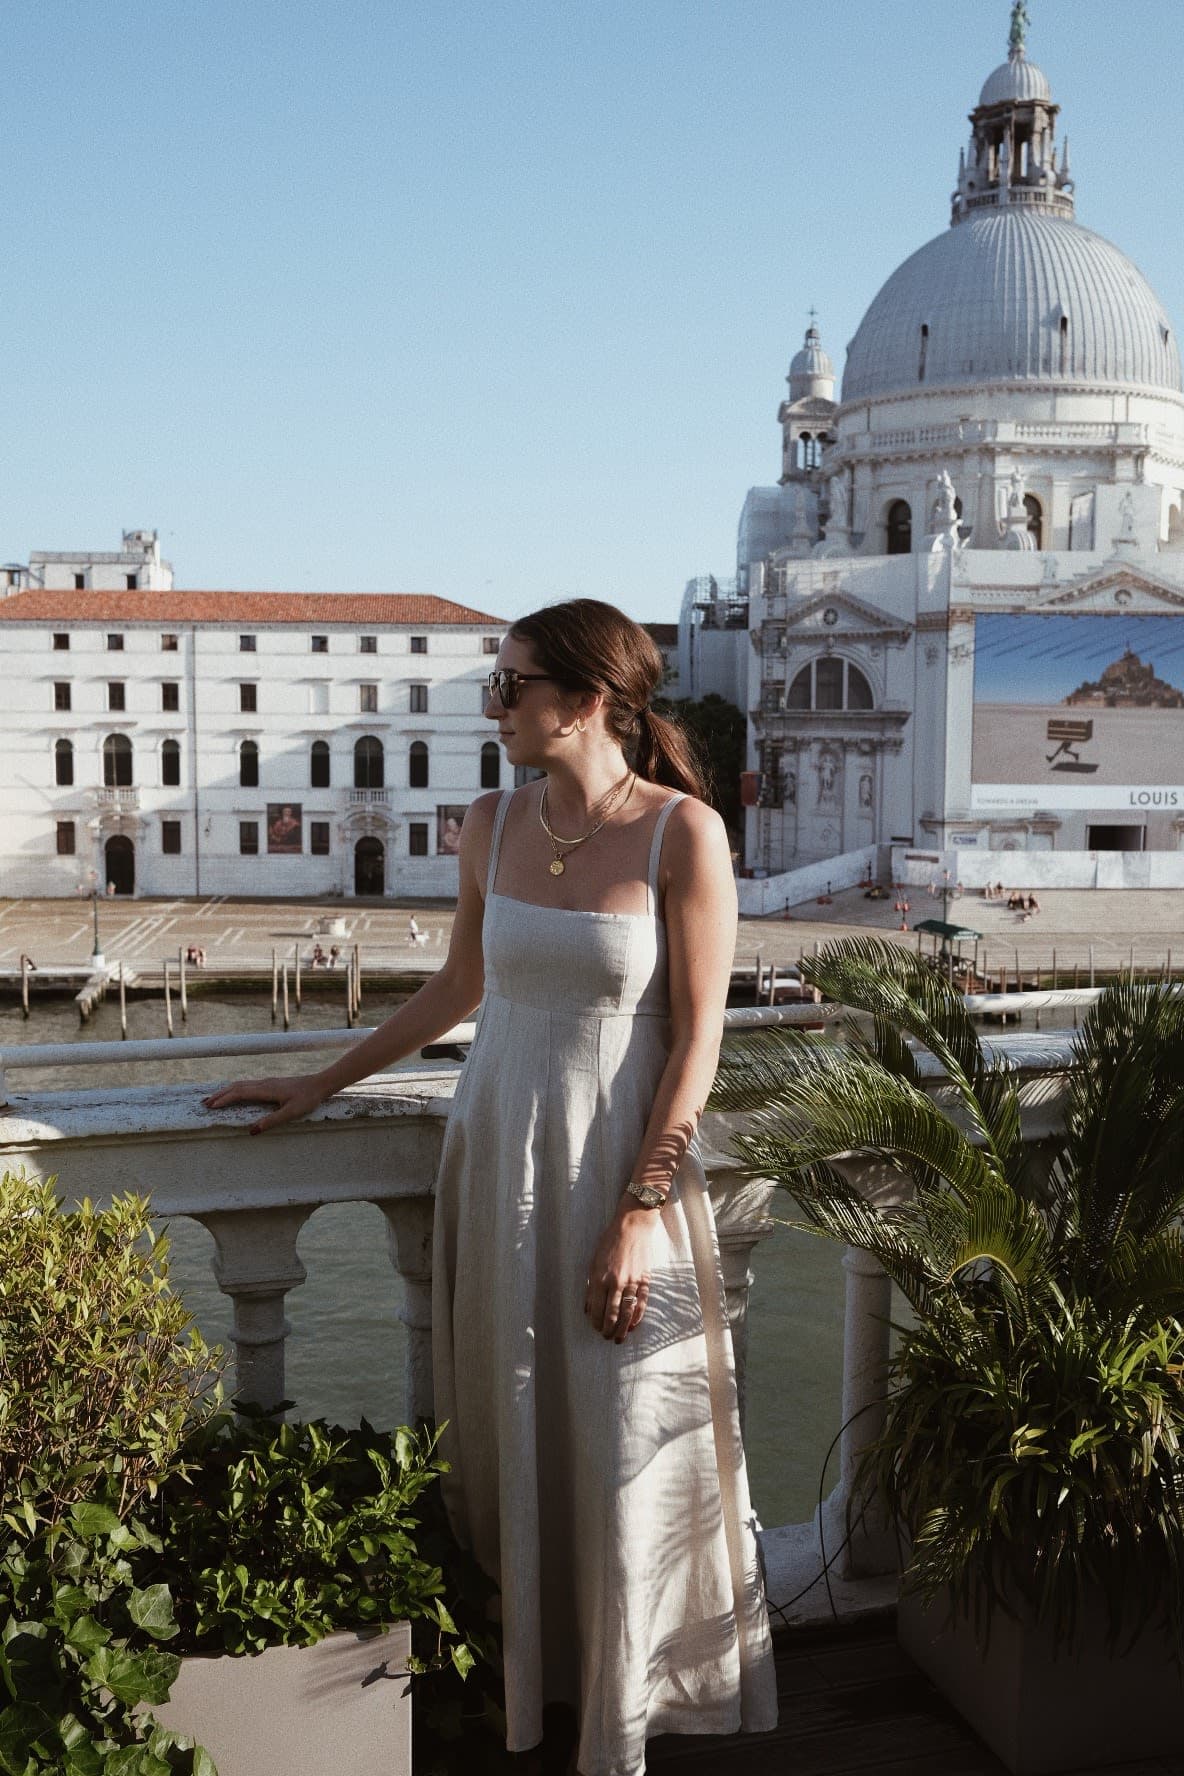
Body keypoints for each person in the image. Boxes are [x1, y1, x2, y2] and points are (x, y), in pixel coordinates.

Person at [202, 598, 777, 1775]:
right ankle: (542, 1678)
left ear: (586, 702)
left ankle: (631, 1698)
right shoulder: (489, 820)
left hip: (620, 1169)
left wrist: (636, 1213)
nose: (494, 705)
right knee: (513, 1425)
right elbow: (454, 990)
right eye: (496, 683)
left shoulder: (683, 834)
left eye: (512, 686)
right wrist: (320, 1081)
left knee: (623, 1434)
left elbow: (697, 1042)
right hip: (499, 1154)